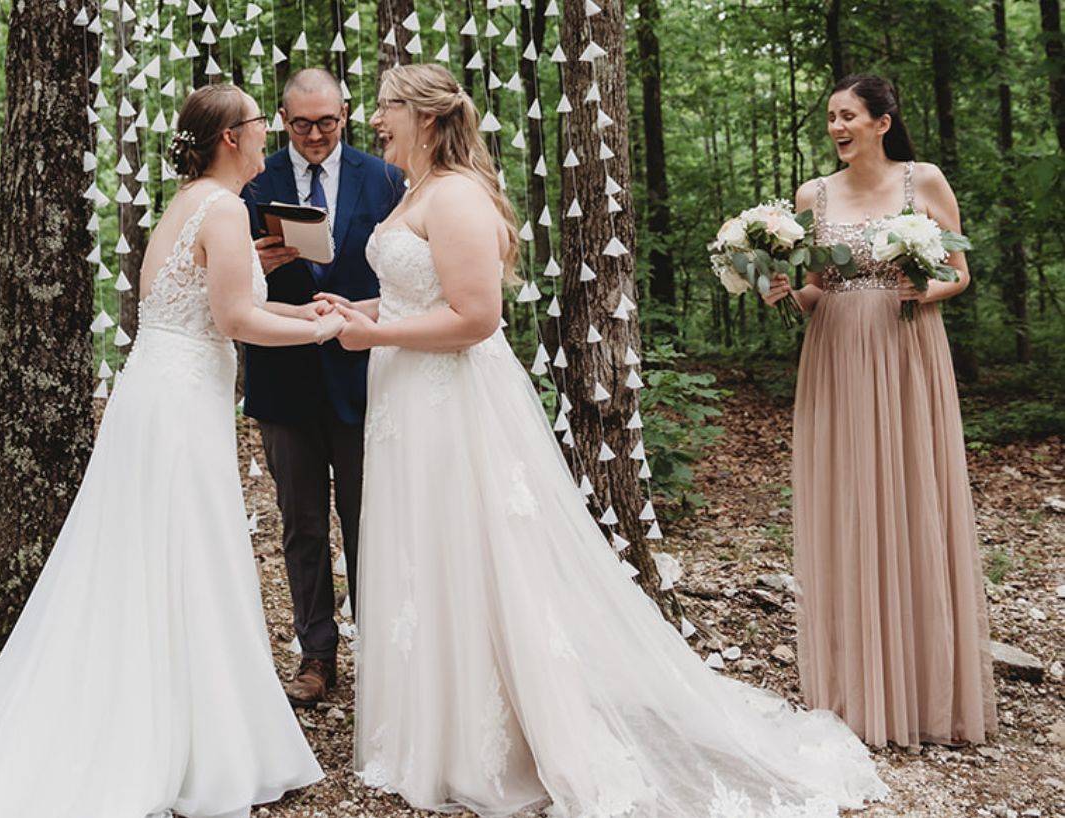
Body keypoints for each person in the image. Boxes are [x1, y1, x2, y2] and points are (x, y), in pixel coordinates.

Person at [325, 63, 888, 817]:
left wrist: (377, 335)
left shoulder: (455, 194)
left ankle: (491, 738)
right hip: (410, 400)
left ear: (426, 118)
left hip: (448, 403)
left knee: (470, 551)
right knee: (428, 551)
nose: (374, 121)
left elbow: (476, 319)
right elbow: (419, 291)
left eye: (387, 108)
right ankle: (436, 727)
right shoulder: (419, 192)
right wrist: (362, 308)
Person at [0, 84, 338, 818]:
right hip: (180, 404)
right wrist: (322, 329)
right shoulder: (227, 208)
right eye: (261, 127)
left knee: (158, 554)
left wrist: (286, 294)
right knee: (188, 551)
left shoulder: (185, 205)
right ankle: (199, 742)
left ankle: (186, 724)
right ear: (230, 138)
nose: (268, 139)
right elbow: (234, 317)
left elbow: (202, 300)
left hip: (158, 392)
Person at [762, 73, 997, 748]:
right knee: (848, 503)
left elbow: (959, 272)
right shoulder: (813, 195)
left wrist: (923, 293)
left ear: (882, 122)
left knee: (909, 495)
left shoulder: (922, 181)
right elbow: (815, 288)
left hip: (904, 348)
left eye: (849, 116)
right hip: (835, 350)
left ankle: (925, 689)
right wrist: (785, 290)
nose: (837, 127)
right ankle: (853, 687)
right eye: (832, 117)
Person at [239, 67, 404, 707]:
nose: (314, 134)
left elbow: (408, 274)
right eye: (301, 123)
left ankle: (381, 652)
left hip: (364, 376)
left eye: (326, 121)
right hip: (282, 377)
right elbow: (219, 280)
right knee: (301, 525)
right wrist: (252, 262)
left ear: (346, 115)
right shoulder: (254, 180)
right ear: (282, 119)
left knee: (371, 521)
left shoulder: (385, 178)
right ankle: (316, 657)